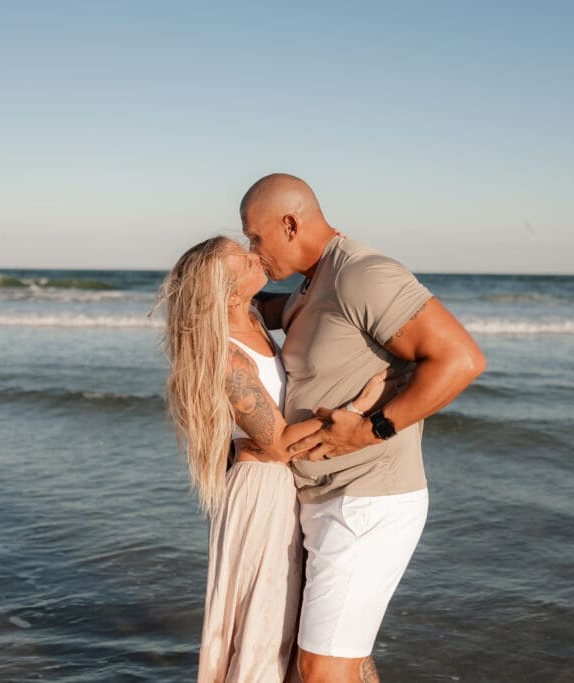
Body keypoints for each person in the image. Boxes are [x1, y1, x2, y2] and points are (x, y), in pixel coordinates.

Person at [241, 173, 487, 682]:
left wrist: (372, 429)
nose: (254, 251)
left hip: (366, 499)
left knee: (322, 669)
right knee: (337, 661)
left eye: (255, 237)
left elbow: (460, 359)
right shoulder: (313, 284)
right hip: (325, 498)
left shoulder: (362, 274)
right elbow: (269, 311)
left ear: (290, 224)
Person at [159, 236, 400, 682]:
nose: (258, 258)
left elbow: (316, 302)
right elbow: (280, 443)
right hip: (262, 493)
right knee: (268, 626)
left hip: (285, 485)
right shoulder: (226, 355)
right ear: (230, 294)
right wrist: (361, 405)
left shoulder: (252, 313)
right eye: (246, 261)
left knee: (320, 625)